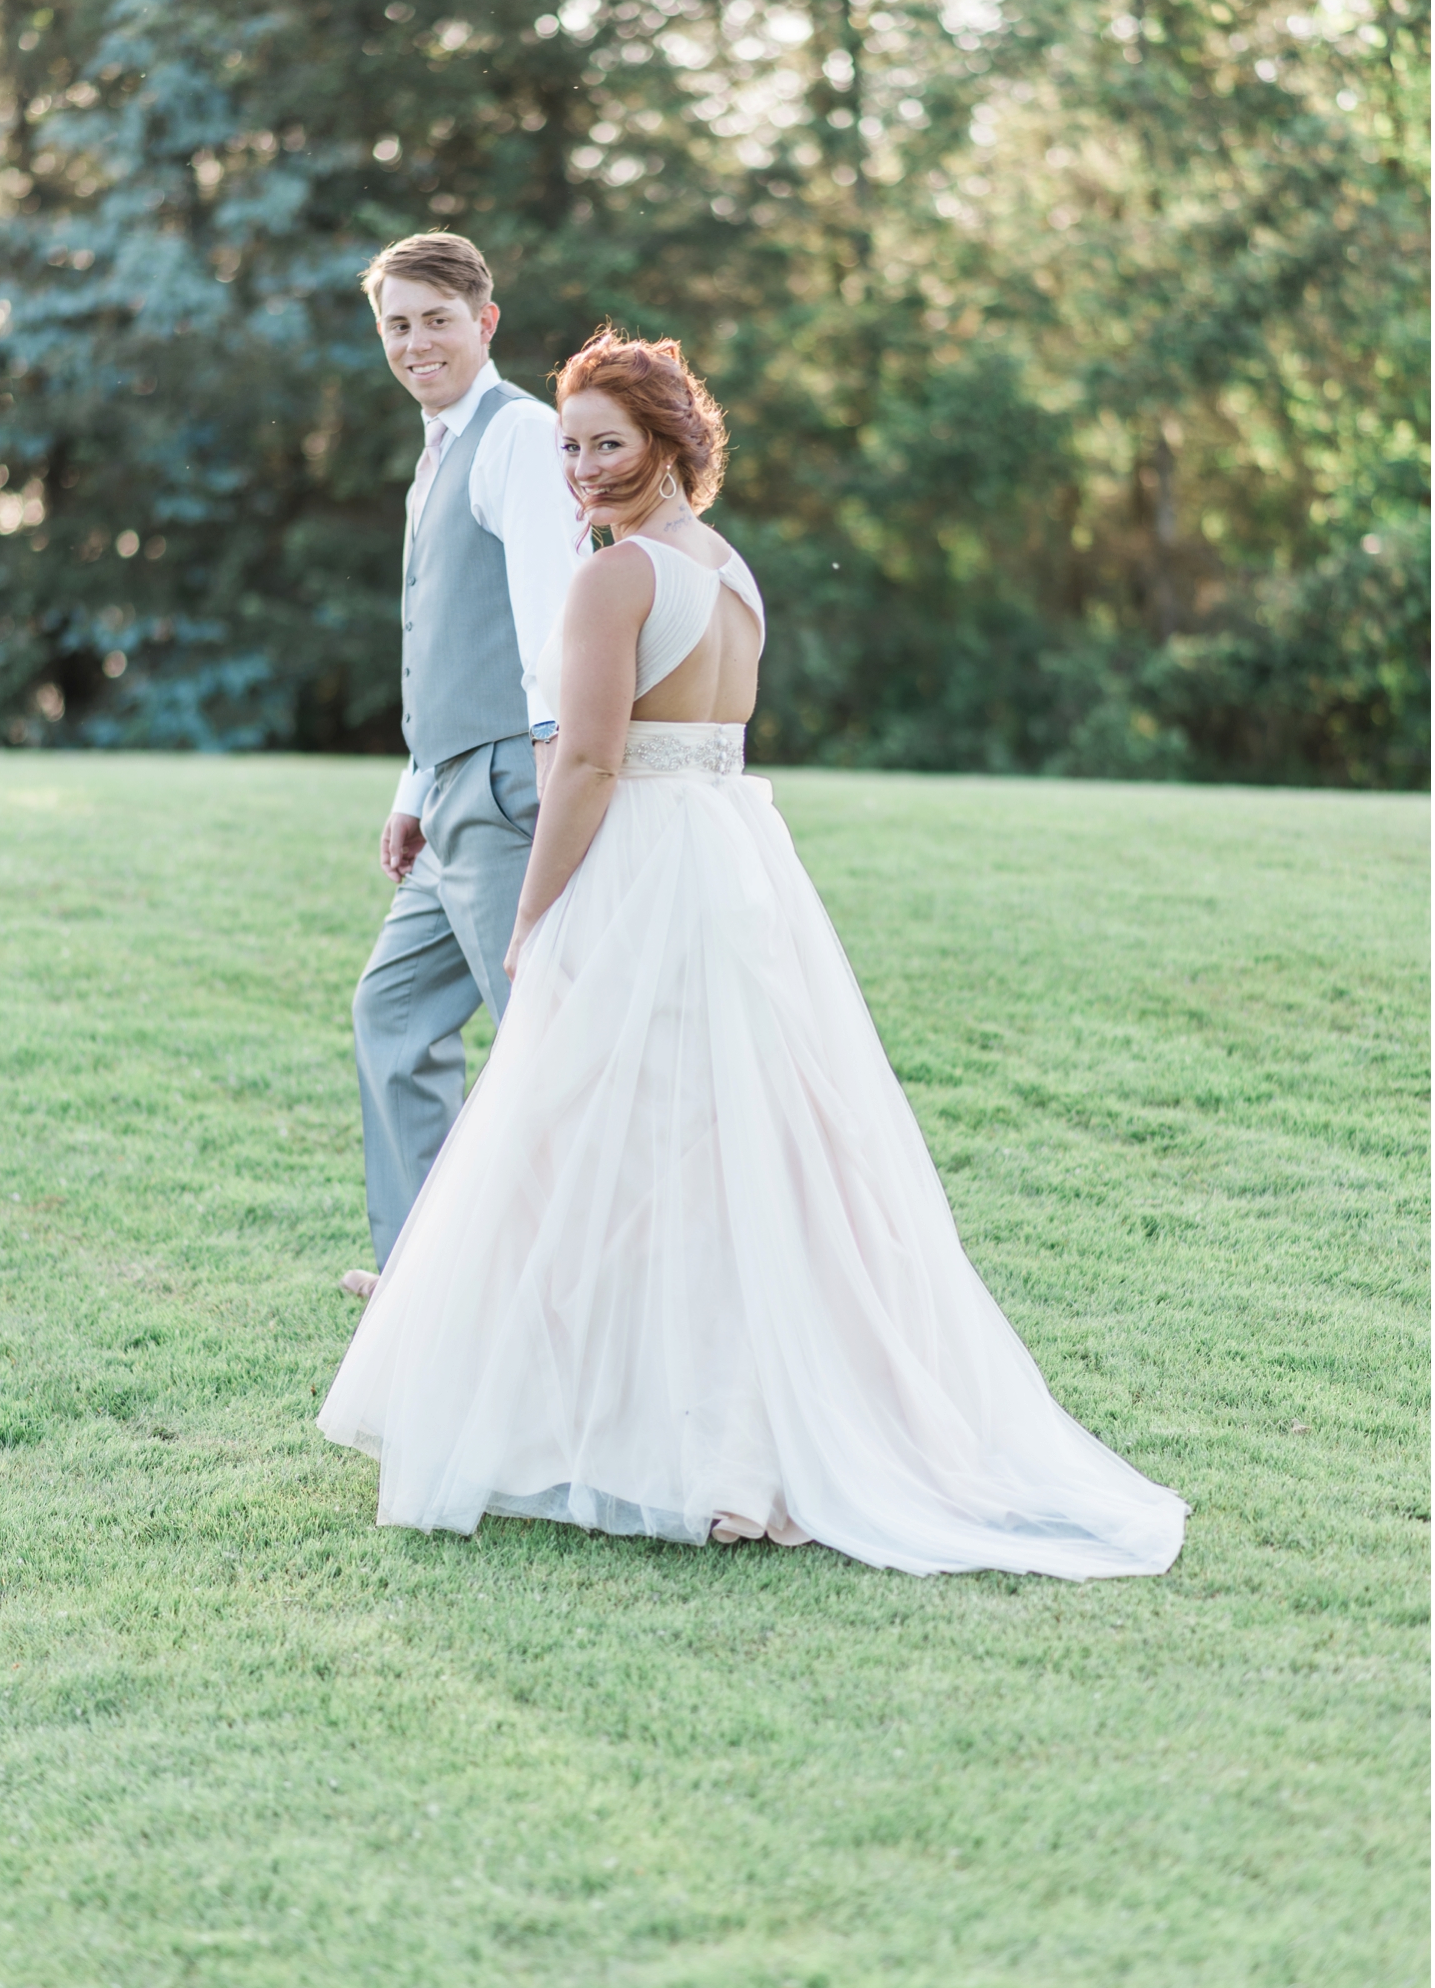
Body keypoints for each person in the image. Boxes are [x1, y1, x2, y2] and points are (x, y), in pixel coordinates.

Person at [319, 330, 1188, 1579]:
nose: (582, 471)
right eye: (566, 448)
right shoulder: (731, 573)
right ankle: (713, 1430)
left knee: (617, 1146)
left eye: (606, 445)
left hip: (651, 871)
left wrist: (531, 914)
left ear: (672, 442)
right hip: (735, 865)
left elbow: (590, 761)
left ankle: (688, 1449)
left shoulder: (615, 582)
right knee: (720, 1147)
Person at [342, 231, 587, 1299]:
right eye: (396, 323)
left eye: (435, 318)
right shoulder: (437, 448)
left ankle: (569, 1286)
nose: (414, 341)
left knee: (541, 1039)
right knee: (392, 1013)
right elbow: (437, 636)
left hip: (505, 788)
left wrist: (541, 773)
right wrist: (413, 789)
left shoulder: (520, 435)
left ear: (484, 323)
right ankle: (423, 1285)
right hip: (447, 793)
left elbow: (552, 617)